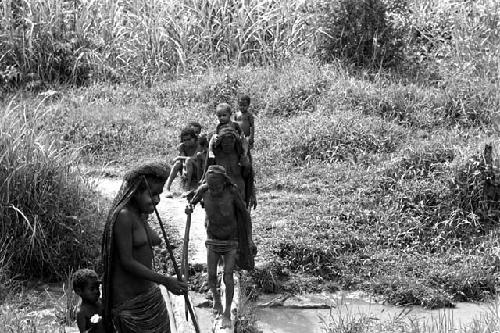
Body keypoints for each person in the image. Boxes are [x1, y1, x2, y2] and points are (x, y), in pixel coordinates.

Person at [101, 162, 188, 333]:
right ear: (135, 193)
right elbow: (127, 262)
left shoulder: (137, 215)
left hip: (149, 296)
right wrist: (166, 281)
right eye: (152, 194)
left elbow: (155, 240)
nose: (157, 200)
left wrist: (145, 213)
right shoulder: (124, 216)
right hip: (132, 304)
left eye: (159, 194)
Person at [188, 166, 256, 325]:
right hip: (212, 238)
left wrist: (249, 239)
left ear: (224, 183)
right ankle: (216, 300)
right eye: (211, 187)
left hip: (231, 240)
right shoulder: (204, 191)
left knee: (227, 275)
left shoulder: (232, 192)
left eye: (217, 186)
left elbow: (245, 216)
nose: (215, 190)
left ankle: (226, 313)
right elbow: (192, 202)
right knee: (211, 275)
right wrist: (189, 207)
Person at [165, 127, 200, 197]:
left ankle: (187, 188)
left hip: (198, 168)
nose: (187, 141)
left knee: (188, 160)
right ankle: (167, 187)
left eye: (189, 139)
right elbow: (182, 161)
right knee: (177, 164)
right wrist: (184, 170)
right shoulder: (182, 146)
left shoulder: (198, 145)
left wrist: (179, 157)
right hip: (187, 167)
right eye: (184, 140)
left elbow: (194, 157)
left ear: (194, 138)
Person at [73, 269, 104, 333]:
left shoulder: (101, 302)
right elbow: (83, 331)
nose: (96, 291)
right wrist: (95, 326)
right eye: (92, 289)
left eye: (97, 287)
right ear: (79, 291)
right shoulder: (81, 312)